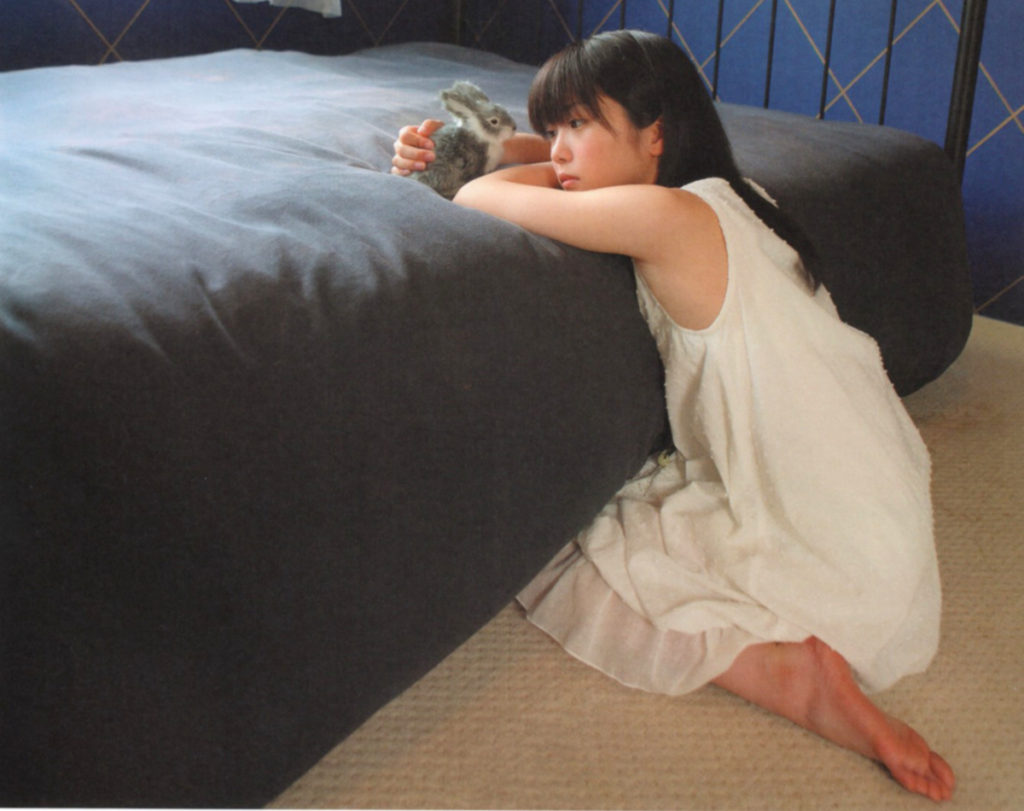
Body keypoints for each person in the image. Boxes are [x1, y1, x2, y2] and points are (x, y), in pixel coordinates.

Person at [392, 29, 955, 802]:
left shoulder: (663, 217)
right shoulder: (744, 199)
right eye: (553, 130)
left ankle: (793, 677)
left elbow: (478, 198)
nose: (558, 150)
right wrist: (533, 145)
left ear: (655, 134)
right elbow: (546, 171)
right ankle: (798, 672)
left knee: (574, 549)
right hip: (882, 505)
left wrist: (489, 160)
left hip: (824, 533)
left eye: (578, 125)